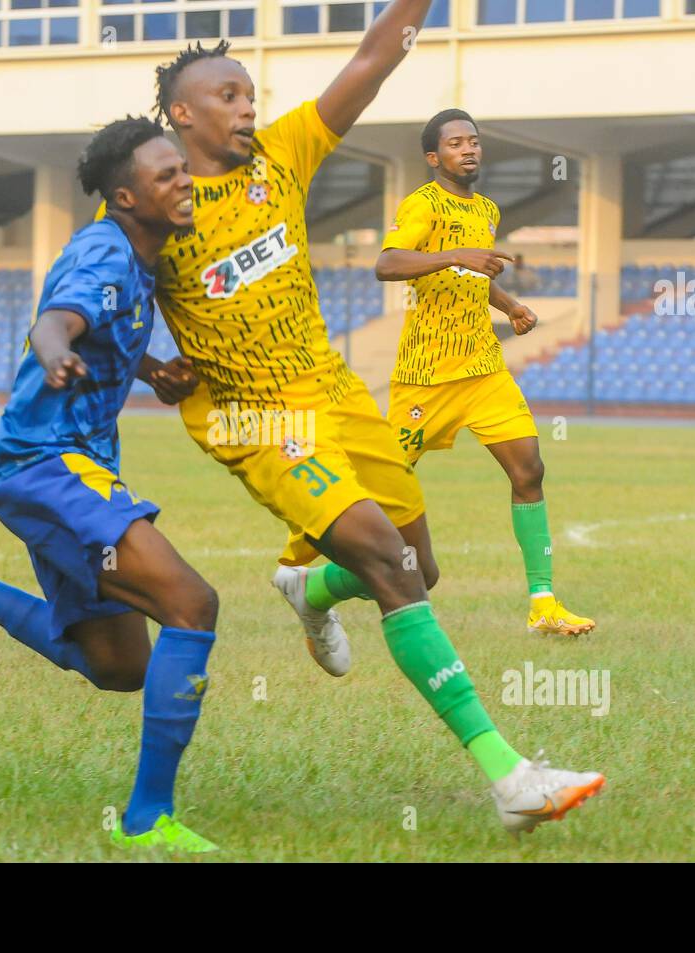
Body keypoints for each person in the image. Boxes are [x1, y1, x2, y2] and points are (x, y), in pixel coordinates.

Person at [146, 23, 605, 835]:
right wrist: (156, 370)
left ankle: (309, 587)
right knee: (391, 562)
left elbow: (376, 57)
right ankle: (512, 778)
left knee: (419, 568)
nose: (248, 107)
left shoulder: (281, 155)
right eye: (228, 95)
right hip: (257, 417)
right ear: (181, 115)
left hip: (336, 391)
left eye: (251, 93)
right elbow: (99, 304)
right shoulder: (158, 200)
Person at [0, 118, 220, 853]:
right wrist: (55, 351)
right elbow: (54, 321)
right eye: (166, 175)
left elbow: (106, 326)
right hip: (46, 465)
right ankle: (147, 820)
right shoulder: (102, 248)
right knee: (192, 602)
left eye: (182, 168)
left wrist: (156, 370)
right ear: (125, 195)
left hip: (60, 468)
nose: (184, 181)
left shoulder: (139, 258)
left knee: (119, 665)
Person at [377, 109, 594, 638]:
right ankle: (305, 577)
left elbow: (469, 275)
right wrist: (458, 255)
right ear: (435, 158)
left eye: (473, 141)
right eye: (455, 144)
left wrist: (510, 305)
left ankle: (543, 603)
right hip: (427, 376)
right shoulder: (421, 204)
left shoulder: (488, 210)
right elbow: (388, 263)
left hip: (484, 368)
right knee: (377, 490)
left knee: (529, 471)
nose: (468, 149)